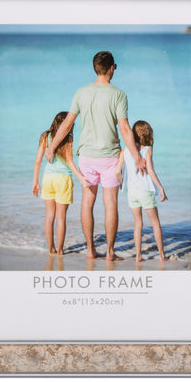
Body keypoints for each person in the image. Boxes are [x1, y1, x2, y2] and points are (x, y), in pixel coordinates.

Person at [45, 51, 147, 261]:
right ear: (111, 68)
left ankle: (91, 250)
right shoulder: (118, 95)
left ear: (95, 69)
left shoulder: (81, 93)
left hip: (87, 157)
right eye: (114, 67)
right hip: (110, 157)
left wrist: (52, 146)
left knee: (87, 203)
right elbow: (125, 128)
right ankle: (110, 252)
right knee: (110, 204)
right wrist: (137, 157)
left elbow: (67, 123)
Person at [32, 112, 90, 255]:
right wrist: (81, 178)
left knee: (49, 217)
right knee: (61, 218)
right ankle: (60, 250)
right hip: (63, 179)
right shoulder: (68, 138)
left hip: (48, 178)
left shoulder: (45, 136)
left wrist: (35, 182)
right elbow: (69, 161)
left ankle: (51, 248)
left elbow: (38, 161)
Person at [115, 120, 169, 262]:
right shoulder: (147, 150)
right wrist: (160, 187)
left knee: (138, 224)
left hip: (131, 191)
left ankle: (138, 256)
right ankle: (162, 256)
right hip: (144, 190)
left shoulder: (125, 151)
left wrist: (121, 184)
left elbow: (117, 172)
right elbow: (149, 170)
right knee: (155, 224)